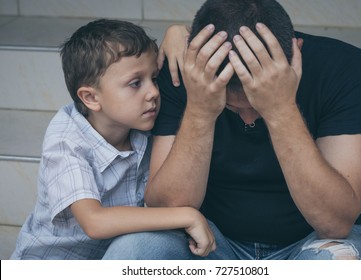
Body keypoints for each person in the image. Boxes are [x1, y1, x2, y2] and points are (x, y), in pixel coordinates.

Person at [103, 0, 361, 260]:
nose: (249, 115)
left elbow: (335, 223)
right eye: (233, 106)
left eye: (257, 102)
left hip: (312, 242)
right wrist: (201, 109)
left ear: (294, 53)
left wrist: (279, 109)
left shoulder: (343, 67)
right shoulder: (185, 71)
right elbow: (168, 208)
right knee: (130, 251)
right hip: (210, 241)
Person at [10, 19, 215, 260]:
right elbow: (94, 221)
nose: (154, 92)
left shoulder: (140, 122)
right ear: (91, 98)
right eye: (135, 83)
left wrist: (174, 32)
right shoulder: (66, 140)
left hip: (113, 257)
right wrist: (187, 216)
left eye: (155, 78)